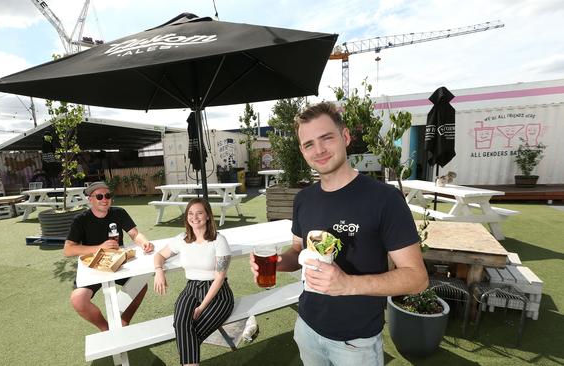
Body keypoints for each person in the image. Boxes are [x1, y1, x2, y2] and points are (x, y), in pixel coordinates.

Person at [250, 102, 428, 366]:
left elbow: (417, 278)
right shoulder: (304, 199)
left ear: (345, 137)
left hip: (356, 343)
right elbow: (298, 251)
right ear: (302, 150)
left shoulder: (384, 198)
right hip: (307, 328)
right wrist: (276, 263)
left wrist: (348, 285)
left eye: (326, 138)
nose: (318, 150)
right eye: (309, 144)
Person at [64, 181, 155, 331]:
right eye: (99, 196)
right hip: (93, 266)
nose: (104, 199)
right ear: (90, 200)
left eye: (108, 195)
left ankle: (124, 321)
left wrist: (144, 242)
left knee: (140, 284)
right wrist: (99, 247)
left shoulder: (119, 213)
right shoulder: (80, 220)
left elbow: (135, 234)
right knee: (78, 300)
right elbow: (68, 250)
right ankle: (107, 329)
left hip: (116, 262)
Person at [153, 198, 234, 366]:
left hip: (217, 292)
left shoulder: (219, 240)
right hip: (190, 288)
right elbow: (159, 255)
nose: (194, 217)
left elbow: (219, 277)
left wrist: (202, 306)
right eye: (190, 213)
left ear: (208, 216)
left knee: (188, 333)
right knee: (181, 324)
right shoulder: (182, 239)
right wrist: (159, 271)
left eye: (199, 213)